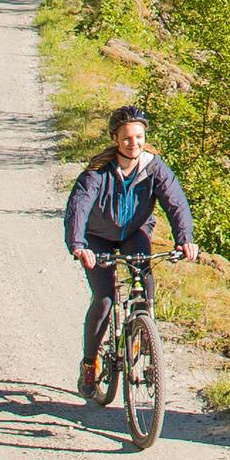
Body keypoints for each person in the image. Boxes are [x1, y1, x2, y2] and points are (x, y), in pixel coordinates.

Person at [62, 105, 195, 404]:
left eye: (138, 137)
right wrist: (78, 245)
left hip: (135, 232)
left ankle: (142, 334)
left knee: (144, 286)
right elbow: (79, 208)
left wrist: (185, 240)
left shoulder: (154, 167)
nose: (133, 143)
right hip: (97, 238)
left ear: (144, 138)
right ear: (114, 139)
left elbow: (176, 203)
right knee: (106, 298)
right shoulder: (97, 173)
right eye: (126, 138)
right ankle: (89, 364)